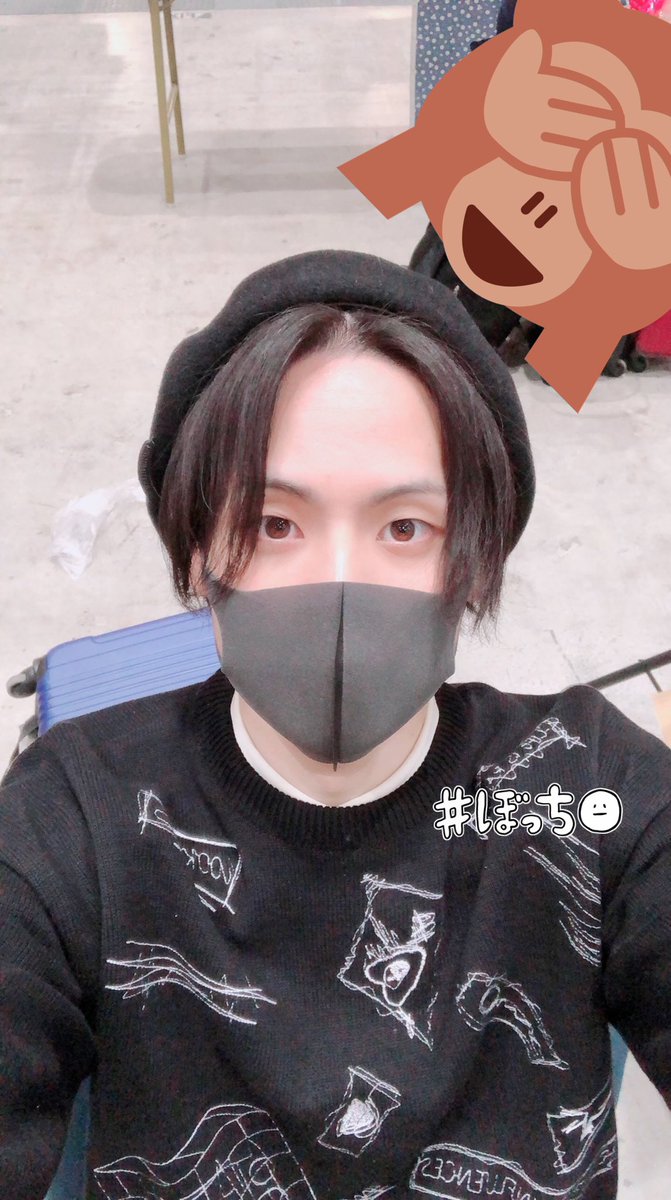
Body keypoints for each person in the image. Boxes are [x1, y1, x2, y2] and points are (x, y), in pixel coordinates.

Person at [1, 249, 669, 1200]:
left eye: (405, 528)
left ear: (474, 560)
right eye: (274, 523)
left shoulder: (571, 795)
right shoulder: (82, 817)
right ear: (197, 551)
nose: (340, 585)